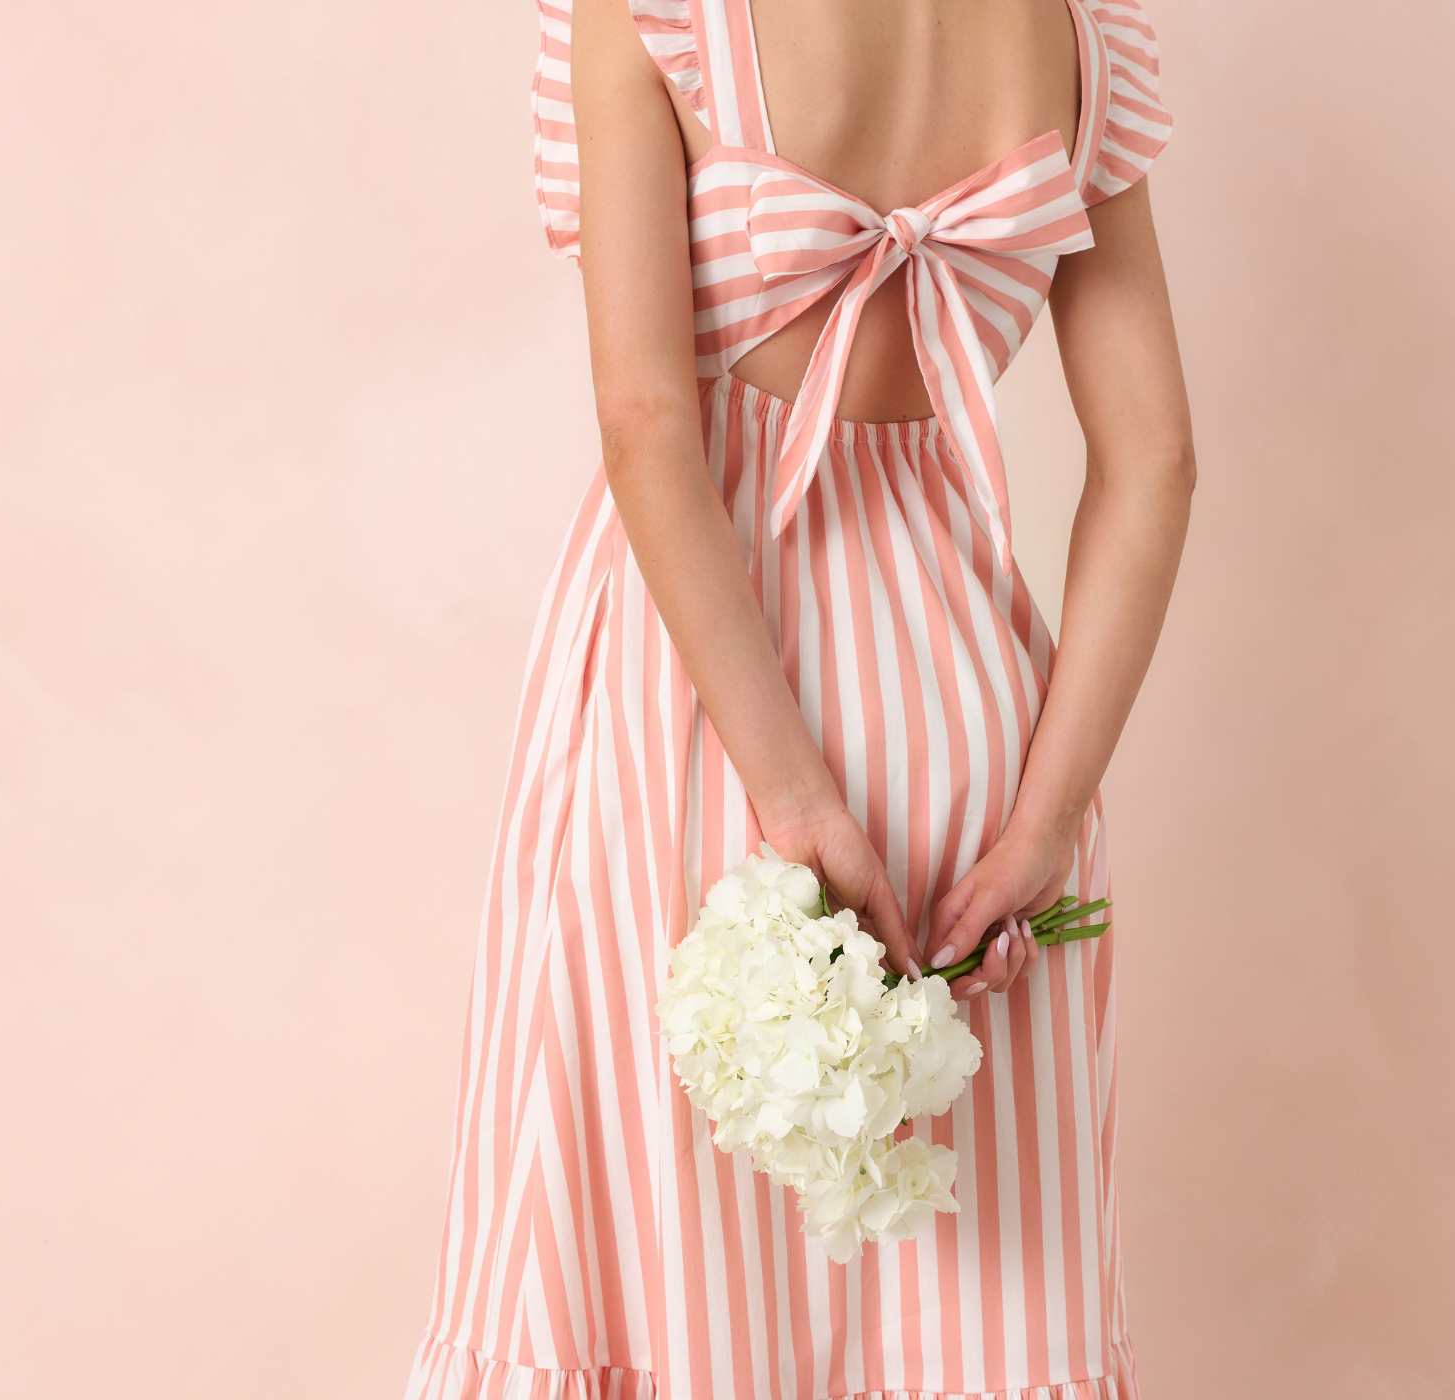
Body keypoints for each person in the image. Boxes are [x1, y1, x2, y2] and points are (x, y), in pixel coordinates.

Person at [406, 1, 1193, 1395]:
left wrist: (792, 793)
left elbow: (650, 424)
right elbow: (1155, 465)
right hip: (971, 708)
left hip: (699, 692)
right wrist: (1046, 820)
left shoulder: (650, 17)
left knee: (658, 1271)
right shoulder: (1075, 29)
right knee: (971, 1274)